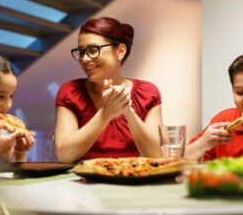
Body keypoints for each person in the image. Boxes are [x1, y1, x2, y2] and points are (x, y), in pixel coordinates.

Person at [54, 17, 163, 163]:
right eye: (81, 52)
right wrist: (105, 114)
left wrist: (127, 110)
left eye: (93, 50)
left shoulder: (148, 92)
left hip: (132, 179)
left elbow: (156, 155)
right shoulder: (71, 91)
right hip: (84, 182)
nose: (84, 59)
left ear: (120, 51)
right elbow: (64, 156)